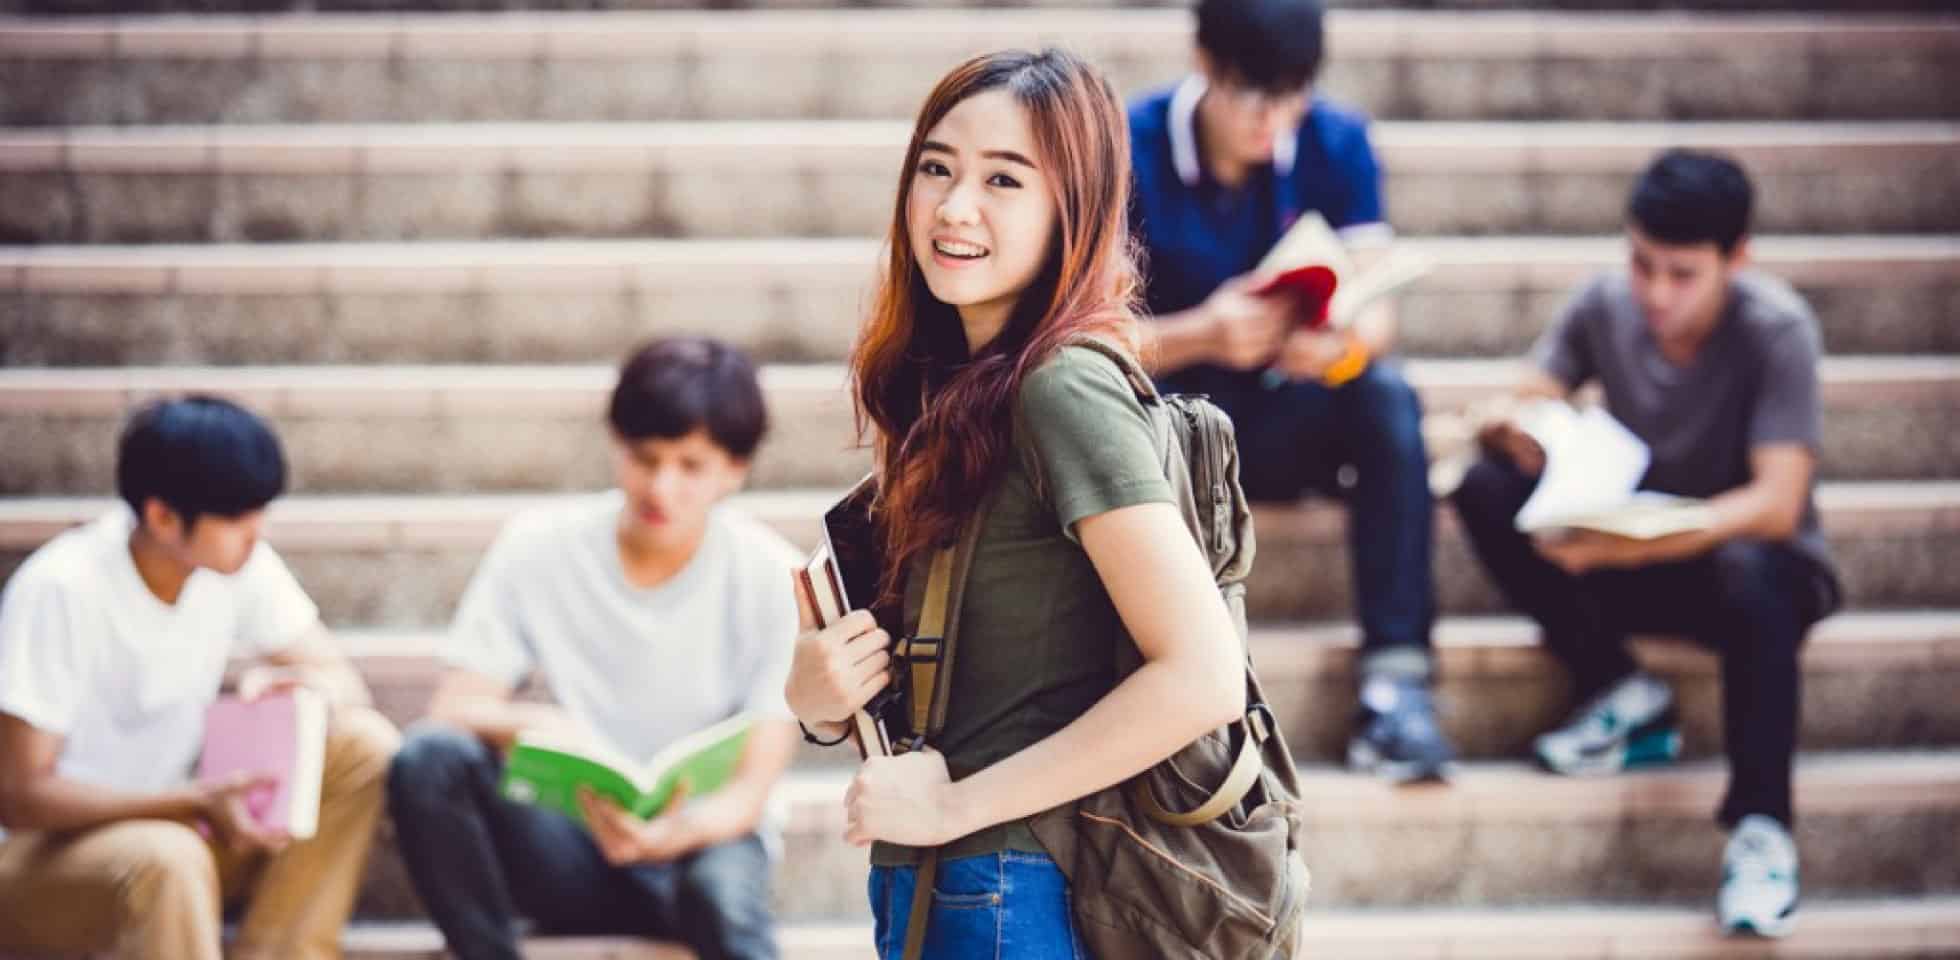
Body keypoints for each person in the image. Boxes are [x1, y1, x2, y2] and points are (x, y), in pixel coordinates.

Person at [783, 48, 1248, 960]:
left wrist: (957, 803)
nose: (956, 208)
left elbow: (1202, 674)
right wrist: (821, 699)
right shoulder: (955, 386)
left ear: (1071, 209)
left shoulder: (1063, 388)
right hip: (948, 879)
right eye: (937, 168)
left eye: (1005, 179)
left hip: (1009, 884)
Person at [1452, 149, 1840, 939]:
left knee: (1755, 573)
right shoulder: (1605, 302)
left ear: (1738, 259)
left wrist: (1636, 549)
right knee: (1483, 487)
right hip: (1628, 547)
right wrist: (1509, 427)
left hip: (1746, 571)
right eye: (1641, 264)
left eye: (1682, 274)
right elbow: (1531, 391)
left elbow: (1777, 504)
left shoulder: (1778, 330)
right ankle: (1623, 693)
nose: (1655, 292)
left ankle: (1762, 833)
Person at [385, 337, 802, 960]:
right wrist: (536, 722)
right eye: (645, 458)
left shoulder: (774, 576)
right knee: (427, 758)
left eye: (691, 466)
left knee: (724, 898)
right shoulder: (539, 546)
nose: (661, 487)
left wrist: (669, 834)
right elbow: (453, 710)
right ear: (616, 444)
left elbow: (751, 789)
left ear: (734, 470)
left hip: (704, 841)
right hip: (571, 842)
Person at [1124, 0, 1454, 782]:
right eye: (1251, 95)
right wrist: (1203, 331)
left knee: (1388, 395)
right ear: (1204, 63)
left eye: (1291, 97)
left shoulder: (1335, 140)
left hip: (1282, 410)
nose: (1271, 121)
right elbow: (1074, 343)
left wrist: (1337, 342)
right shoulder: (1128, 145)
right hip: (1164, 429)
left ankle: (1397, 685)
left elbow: (1379, 314)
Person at [0, 396, 399, 960]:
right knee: (169, 854)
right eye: (236, 517)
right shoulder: (62, 589)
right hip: (41, 863)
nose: (255, 533)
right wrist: (187, 802)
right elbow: (21, 797)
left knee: (364, 745)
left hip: (183, 827)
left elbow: (343, 680)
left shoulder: (238, 564)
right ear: (162, 517)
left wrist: (304, 692)